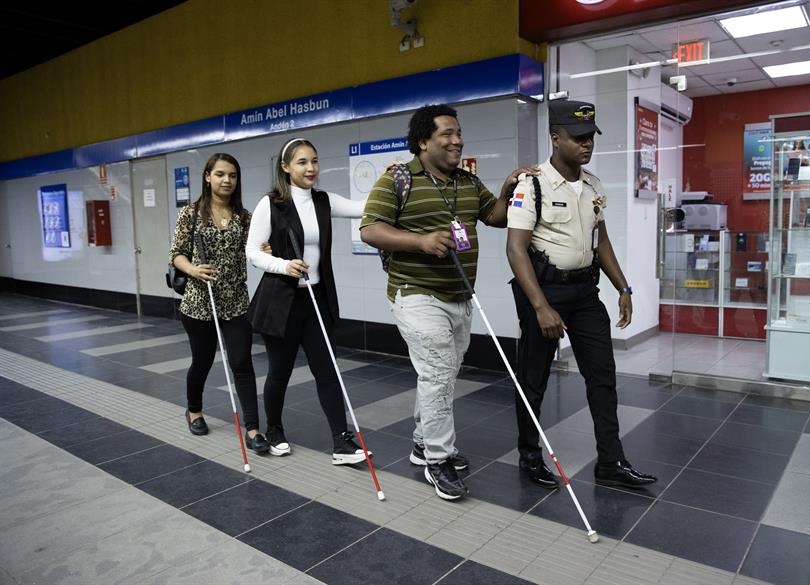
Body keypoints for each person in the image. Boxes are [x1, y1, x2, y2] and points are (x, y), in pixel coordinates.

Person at [360, 104, 537, 501]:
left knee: (441, 374)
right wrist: (420, 242)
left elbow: (495, 217)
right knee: (439, 372)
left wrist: (508, 189)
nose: (457, 140)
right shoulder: (398, 179)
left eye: (459, 133)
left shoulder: (467, 181)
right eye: (447, 134)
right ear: (423, 141)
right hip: (415, 293)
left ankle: (423, 441)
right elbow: (370, 229)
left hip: (460, 295)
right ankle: (438, 459)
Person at [505, 99, 657, 489]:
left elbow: (600, 241)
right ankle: (529, 455)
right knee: (534, 379)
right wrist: (541, 306)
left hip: (585, 293)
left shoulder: (594, 185)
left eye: (590, 136)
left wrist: (623, 286)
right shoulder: (532, 184)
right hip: (544, 291)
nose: (586, 144)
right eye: (577, 137)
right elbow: (515, 249)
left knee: (602, 376)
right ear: (555, 137)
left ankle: (611, 460)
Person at [246, 137, 370, 465]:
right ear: (285, 167)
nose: (311, 167)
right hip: (281, 302)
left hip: (317, 299)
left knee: (327, 370)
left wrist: (394, 182)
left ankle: (341, 442)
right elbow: (253, 252)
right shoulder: (271, 204)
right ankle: (274, 430)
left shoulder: (324, 201)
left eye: (314, 160)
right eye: (302, 162)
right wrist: (283, 265)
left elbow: (364, 206)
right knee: (280, 371)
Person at [169, 153, 268, 454]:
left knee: (242, 362)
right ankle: (194, 410)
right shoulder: (191, 214)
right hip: (199, 302)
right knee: (202, 360)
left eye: (233, 175)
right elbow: (176, 254)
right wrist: (192, 269)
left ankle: (253, 428)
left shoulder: (244, 217)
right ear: (208, 177)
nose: (227, 180)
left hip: (236, 301)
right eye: (221, 174)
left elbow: (254, 250)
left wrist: (264, 250)